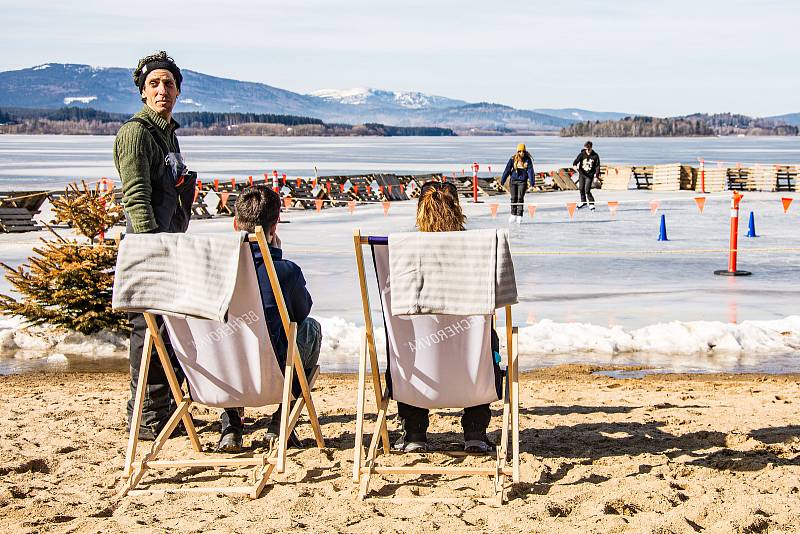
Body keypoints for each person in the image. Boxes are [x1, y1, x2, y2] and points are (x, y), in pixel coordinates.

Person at [114, 51, 197, 440]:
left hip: (170, 243)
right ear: (143, 93)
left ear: (178, 90)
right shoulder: (135, 134)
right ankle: (145, 416)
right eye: (154, 84)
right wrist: (152, 253)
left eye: (168, 83)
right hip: (147, 249)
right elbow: (136, 197)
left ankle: (164, 411)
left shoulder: (168, 133)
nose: (162, 90)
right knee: (146, 330)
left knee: (165, 330)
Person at [393, 180, 502, 454]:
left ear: (420, 211)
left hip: (418, 369)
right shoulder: (478, 252)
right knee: (483, 340)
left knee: (405, 342)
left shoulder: (401, 252)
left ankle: (414, 432)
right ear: (458, 210)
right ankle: (475, 431)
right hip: (471, 371)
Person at [216, 186, 322, 452]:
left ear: (234, 224)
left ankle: (230, 426)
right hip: (273, 375)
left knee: (223, 338)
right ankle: (280, 420)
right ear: (275, 226)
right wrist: (276, 258)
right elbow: (301, 313)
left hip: (223, 373)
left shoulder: (212, 272)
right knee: (310, 329)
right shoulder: (285, 272)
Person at [500, 143, 535, 224]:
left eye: (523, 151)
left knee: (520, 198)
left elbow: (530, 171)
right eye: (520, 151)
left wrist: (532, 182)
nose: (521, 153)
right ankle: (513, 214)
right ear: (517, 151)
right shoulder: (513, 159)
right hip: (513, 181)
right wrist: (503, 180)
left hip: (522, 182)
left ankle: (519, 215)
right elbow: (507, 170)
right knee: (513, 198)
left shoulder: (527, 160)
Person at [572, 140, 601, 210]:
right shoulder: (582, 154)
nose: (587, 151)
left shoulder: (595, 155)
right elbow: (576, 161)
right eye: (586, 149)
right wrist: (574, 165)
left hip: (590, 175)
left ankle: (591, 203)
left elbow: (597, 166)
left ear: (591, 148)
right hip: (582, 174)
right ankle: (583, 202)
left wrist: (596, 176)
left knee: (587, 190)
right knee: (581, 188)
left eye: (588, 149)